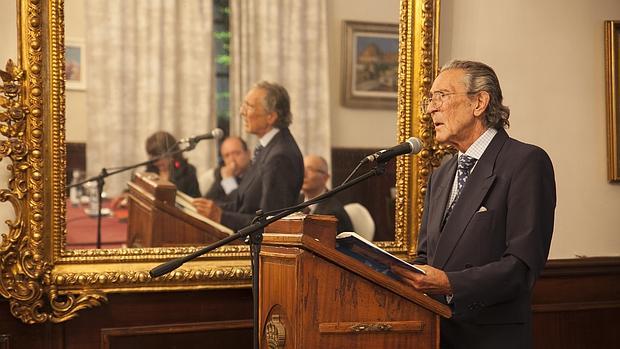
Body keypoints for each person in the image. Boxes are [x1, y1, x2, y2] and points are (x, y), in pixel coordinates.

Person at [391, 60, 556, 349]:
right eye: (431, 99)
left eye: (441, 96)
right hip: (434, 334)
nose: (431, 108)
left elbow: (521, 266)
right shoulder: (441, 173)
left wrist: (450, 283)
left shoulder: (525, 162)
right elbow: (425, 255)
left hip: (489, 338)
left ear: (479, 102)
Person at [192, 81, 304, 230]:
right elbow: (243, 203)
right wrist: (207, 208)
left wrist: (221, 216)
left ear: (270, 117)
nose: (241, 112)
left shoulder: (280, 156)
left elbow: (270, 224)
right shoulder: (267, 148)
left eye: (249, 106)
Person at [299, 154, 353, 233]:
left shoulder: (334, 213)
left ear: (325, 178)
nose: (304, 175)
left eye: (309, 170)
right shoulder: (294, 201)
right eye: (302, 169)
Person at [145, 131, 201, 198]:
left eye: (158, 156)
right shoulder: (150, 170)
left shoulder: (187, 171)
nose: (155, 162)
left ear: (172, 152)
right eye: (152, 157)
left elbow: (195, 201)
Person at [203, 136, 252, 203]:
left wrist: (229, 180)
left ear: (248, 154)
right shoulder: (221, 173)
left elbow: (242, 206)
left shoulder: (257, 174)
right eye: (227, 156)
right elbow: (208, 201)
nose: (232, 160)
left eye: (237, 153)